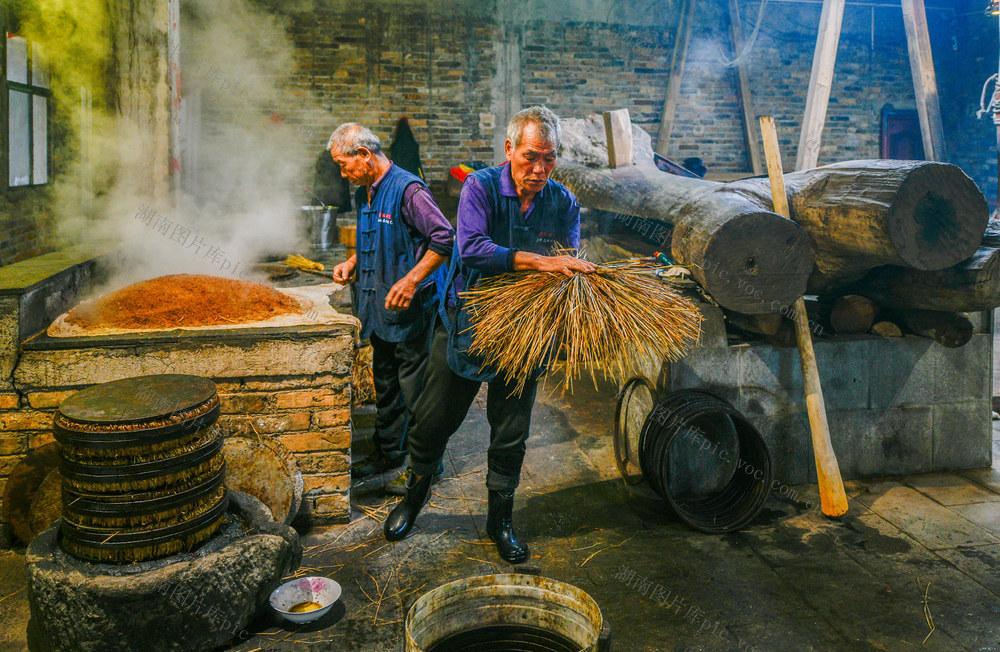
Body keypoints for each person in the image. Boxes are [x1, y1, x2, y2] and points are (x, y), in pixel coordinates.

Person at [383, 106, 596, 563]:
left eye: (550, 159)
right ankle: (413, 497)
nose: (539, 169)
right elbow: (473, 248)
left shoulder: (563, 203)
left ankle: (500, 519)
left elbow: (569, 260)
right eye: (530, 157)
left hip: (524, 332)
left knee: (511, 432)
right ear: (509, 150)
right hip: (468, 322)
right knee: (433, 419)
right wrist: (541, 262)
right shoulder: (479, 186)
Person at [328, 123, 454, 479]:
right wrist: (352, 262)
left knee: (415, 391)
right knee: (386, 386)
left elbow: (444, 238)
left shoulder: (409, 190)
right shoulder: (363, 192)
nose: (342, 172)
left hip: (411, 310)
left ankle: (424, 467)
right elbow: (377, 238)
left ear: (365, 155)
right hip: (379, 309)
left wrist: (412, 280)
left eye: (343, 164)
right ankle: (389, 454)